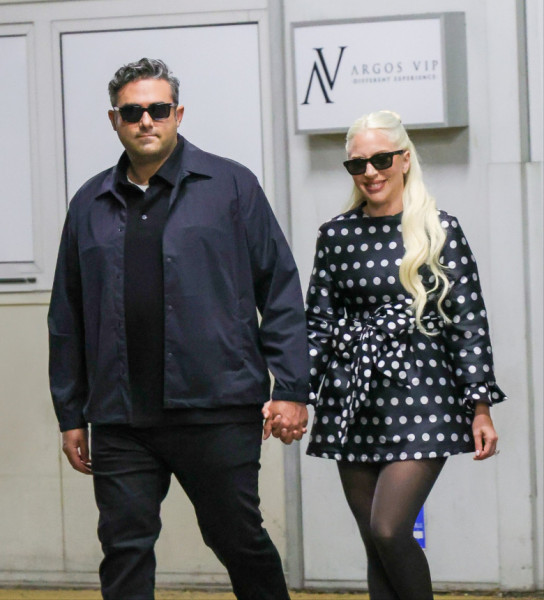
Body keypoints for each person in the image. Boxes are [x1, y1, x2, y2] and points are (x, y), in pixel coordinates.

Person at [48, 57, 309, 600]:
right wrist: (70, 413)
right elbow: (67, 315)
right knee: (124, 548)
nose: (147, 121)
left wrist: (291, 389)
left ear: (178, 113)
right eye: (133, 111)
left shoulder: (231, 186)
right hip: (121, 418)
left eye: (158, 109)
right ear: (115, 119)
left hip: (216, 409)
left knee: (236, 538)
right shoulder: (88, 204)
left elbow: (279, 289)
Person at [305, 110, 506, 599]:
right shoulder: (336, 235)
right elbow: (318, 324)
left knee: (390, 529)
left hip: (423, 396)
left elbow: (468, 324)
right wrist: (293, 394)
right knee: (376, 546)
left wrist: (480, 406)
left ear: (404, 159)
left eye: (380, 159)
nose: (370, 172)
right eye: (357, 165)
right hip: (353, 402)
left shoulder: (439, 230)